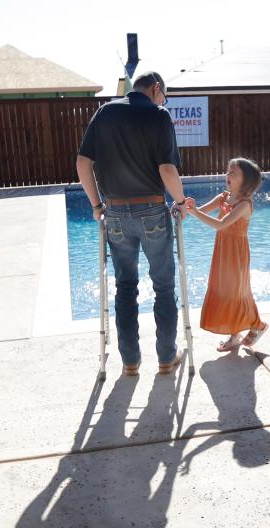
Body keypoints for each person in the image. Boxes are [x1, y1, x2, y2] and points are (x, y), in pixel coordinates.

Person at [76, 71, 189, 376]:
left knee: (126, 287)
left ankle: (130, 362)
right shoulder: (159, 116)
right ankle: (166, 358)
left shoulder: (105, 112)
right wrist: (180, 203)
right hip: (152, 210)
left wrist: (96, 205)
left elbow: (82, 163)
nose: (163, 101)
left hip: (114, 213)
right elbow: (167, 169)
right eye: (163, 95)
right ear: (155, 89)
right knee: (164, 287)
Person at [184, 158, 268, 352]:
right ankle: (244, 330)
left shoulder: (244, 204)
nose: (228, 175)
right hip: (222, 250)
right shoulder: (224, 197)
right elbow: (201, 211)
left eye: (234, 173)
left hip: (236, 253)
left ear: (246, 180)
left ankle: (252, 327)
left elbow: (221, 224)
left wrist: (195, 212)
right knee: (224, 288)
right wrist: (186, 209)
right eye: (228, 171)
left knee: (236, 291)